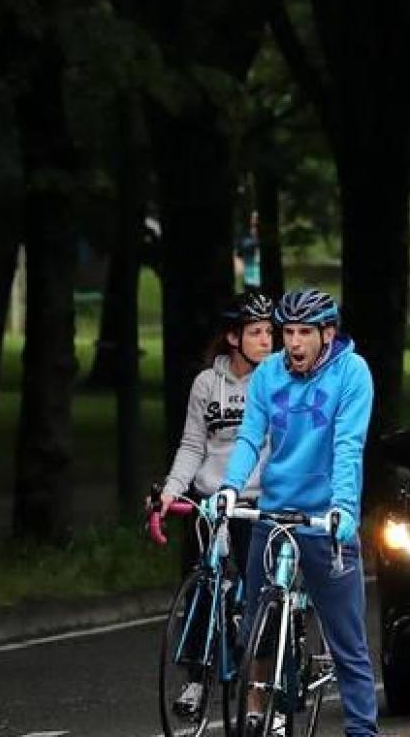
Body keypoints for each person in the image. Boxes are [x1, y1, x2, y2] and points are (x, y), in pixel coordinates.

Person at [215, 288, 377, 737]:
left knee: (348, 643)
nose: (296, 343)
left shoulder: (352, 373)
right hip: (275, 514)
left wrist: (343, 508)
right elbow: (250, 438)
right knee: (254, 632)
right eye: (288, 333)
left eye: (306, 332)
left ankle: (362, 730)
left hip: (327, 520)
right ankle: (265, 713)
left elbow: (349, 445)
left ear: (328, 333)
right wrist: (230, 488)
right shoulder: (268, 374)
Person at [157, 291, 276, 719]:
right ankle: (195, 676)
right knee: (205, 584)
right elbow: (192, 445)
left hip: (258, 502)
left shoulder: (276, 381)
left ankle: (261, 694)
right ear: (232, 337)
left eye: (269, 332)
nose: (267, 340)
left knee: (261, 598)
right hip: (211, 502)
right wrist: (171, 492)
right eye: (256, 332)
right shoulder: (207, 384)